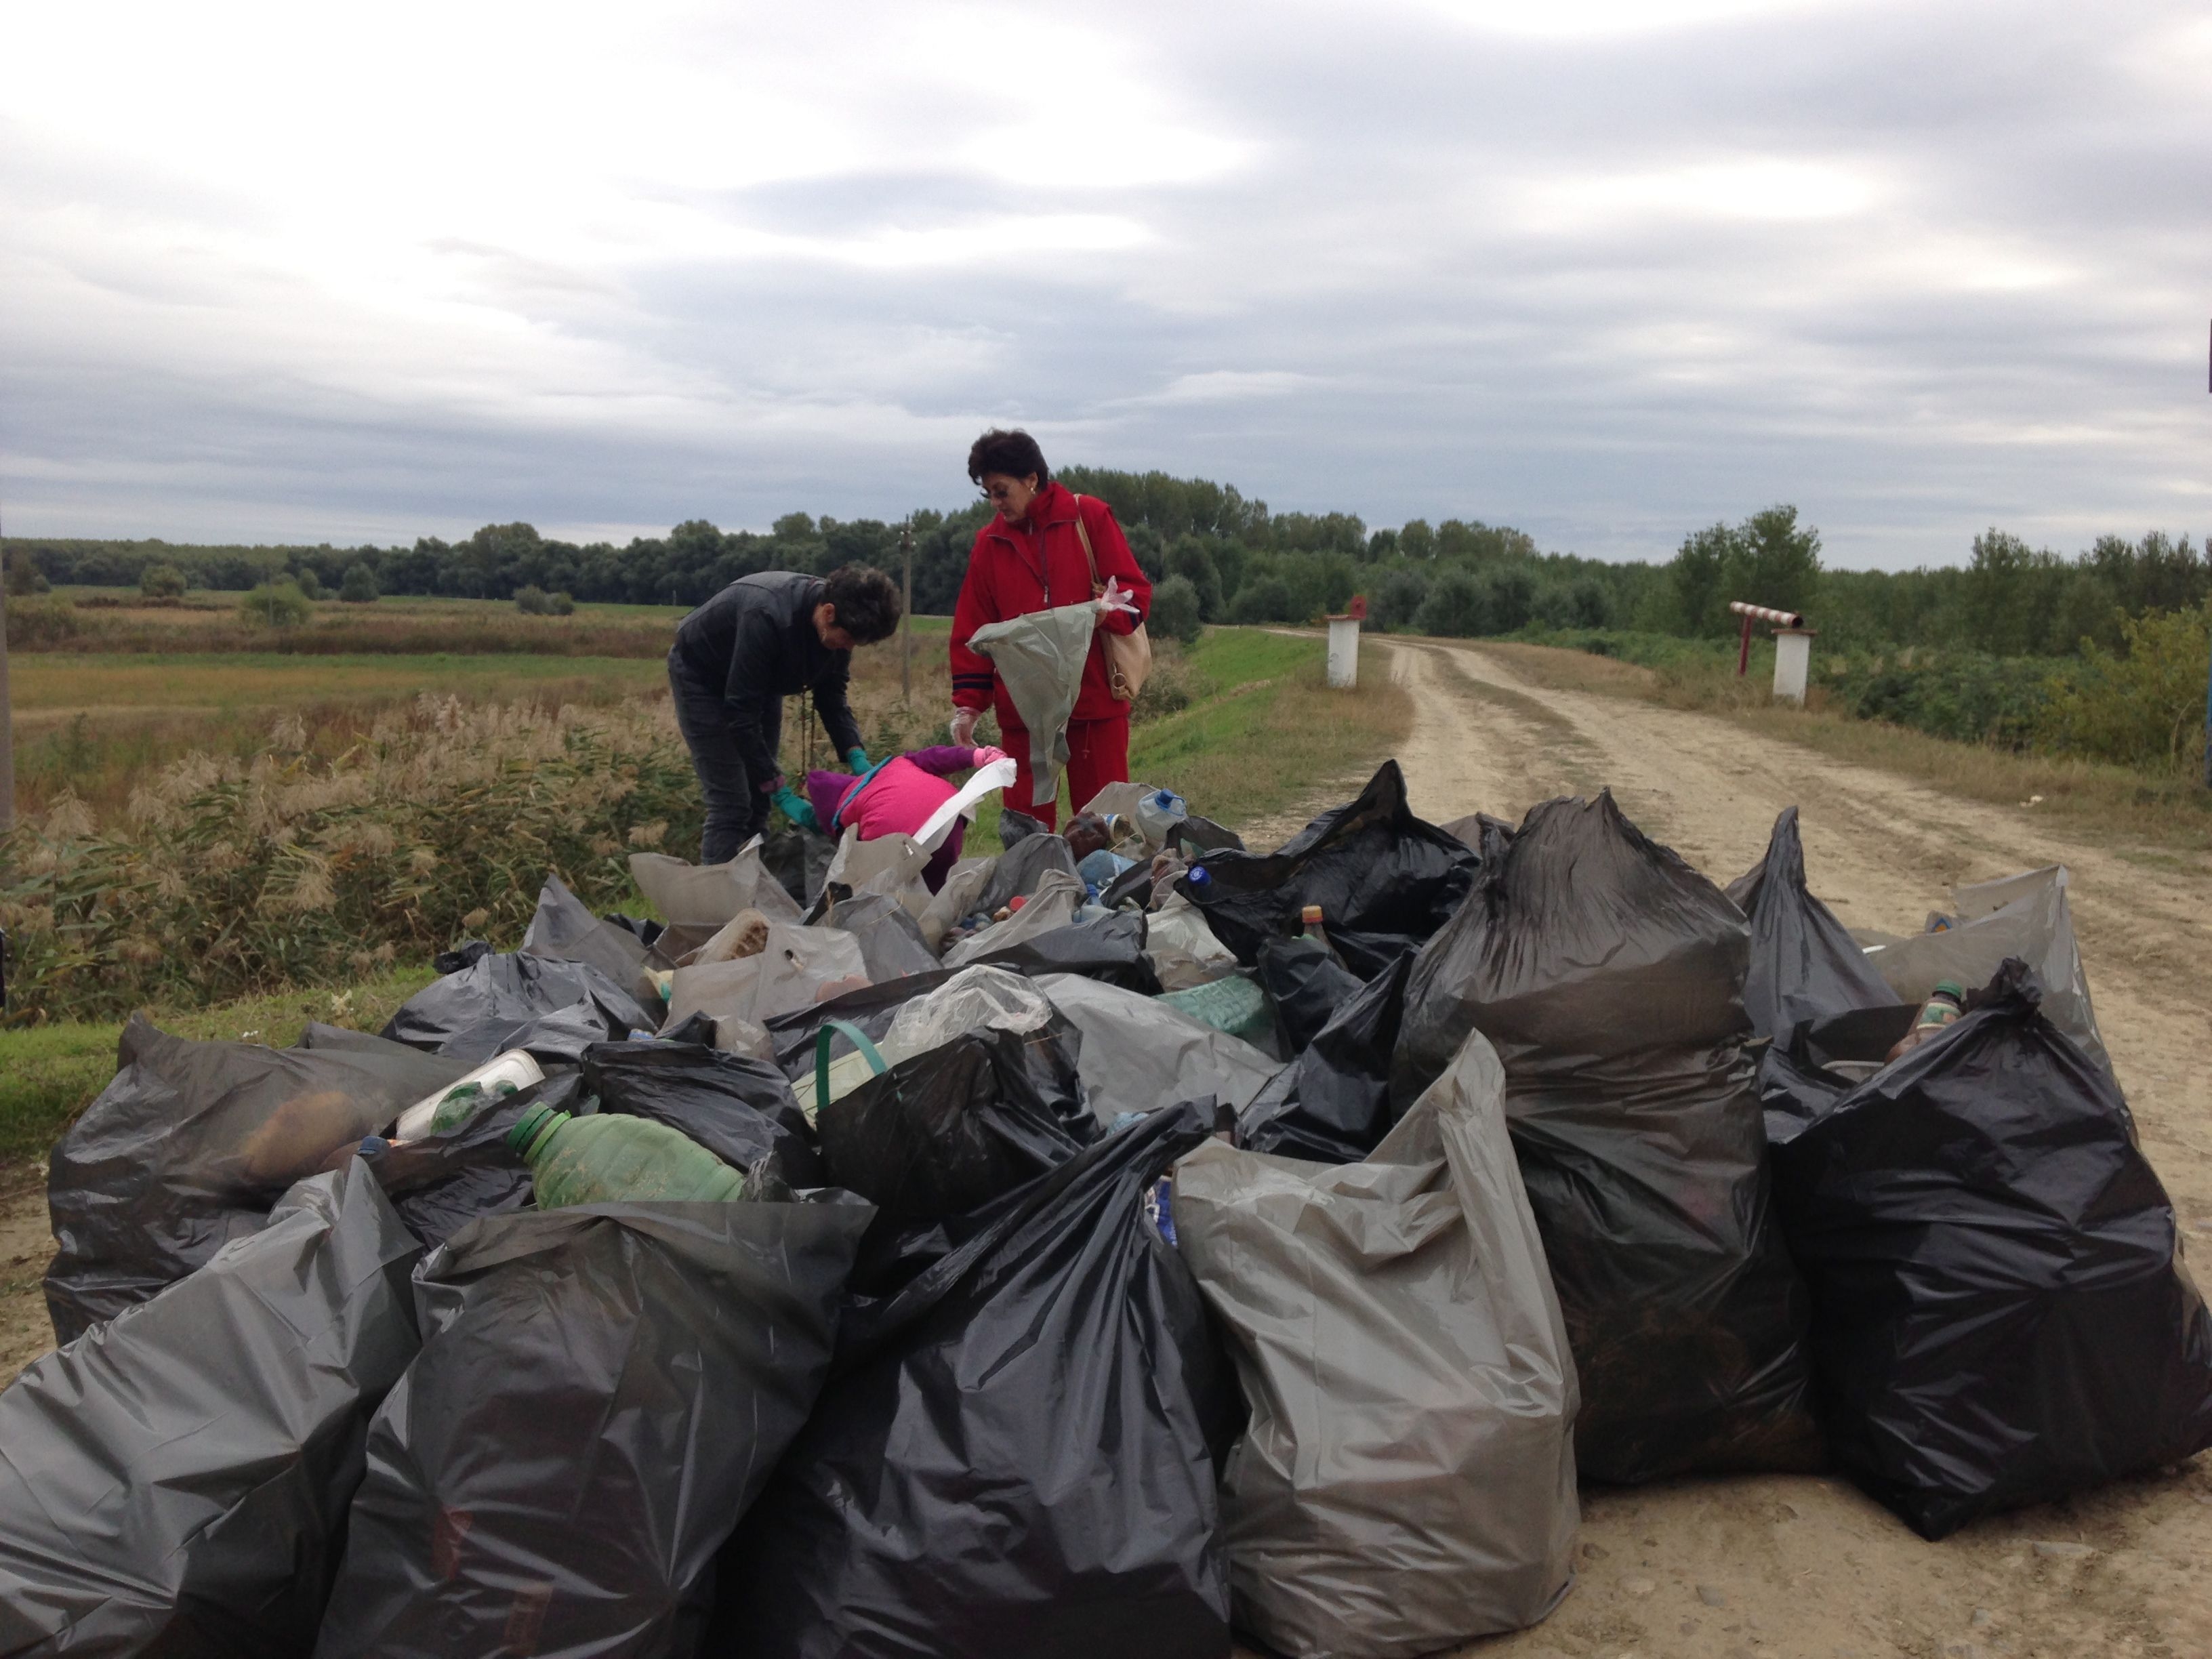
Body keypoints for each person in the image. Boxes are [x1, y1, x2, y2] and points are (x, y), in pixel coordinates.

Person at [948, 428, 1151, 830]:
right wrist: (968, 704)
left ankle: (1108, 894)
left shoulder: (1088, 518)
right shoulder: (988, 544)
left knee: (1104, 826)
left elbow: (1137, 598)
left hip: (1094, 702)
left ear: (1031, 479)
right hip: (1024, 711)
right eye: (988, 492)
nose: (995, 502)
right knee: (1026, 830)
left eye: (1002, 491)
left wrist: (1103, 611)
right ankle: (1033, 894)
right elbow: (973, 627)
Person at [667, 565, 901, 864]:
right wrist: (780, 789)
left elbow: (832, 698)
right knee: (733, 804)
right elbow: (741, 714)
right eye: (847, 639)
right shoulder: (767, 615)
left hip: (761, 683)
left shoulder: (842, 623)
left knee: (758, 799)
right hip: (703, 678)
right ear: (828, 612)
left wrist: (857, 758)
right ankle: (719, 904)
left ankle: (755, 892)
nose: (848, 648)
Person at [794, 743, 1010, 893]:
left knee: (886, 892)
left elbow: (854, 856)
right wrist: (978, 756)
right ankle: (943, 924)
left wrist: (779, 795)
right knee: (937, 890)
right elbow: (937, 758)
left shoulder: (846, 811)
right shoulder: (899, 764)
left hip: (896, 837)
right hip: (949, 818)